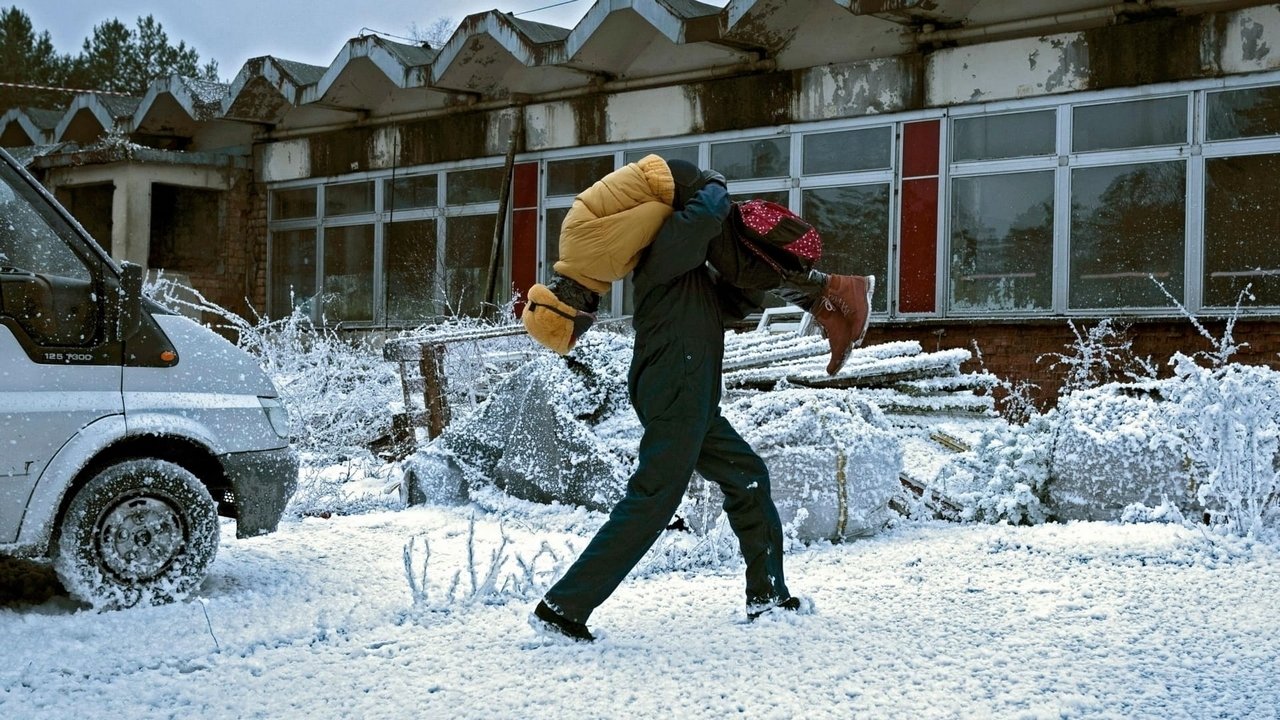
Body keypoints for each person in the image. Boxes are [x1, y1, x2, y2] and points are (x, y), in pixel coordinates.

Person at [529, 163, 856, 642]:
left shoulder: (688, 275)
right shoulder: (663, 256)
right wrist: (714, 181)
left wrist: (764, 268)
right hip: (677, 385)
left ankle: (767, 595)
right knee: (653, 500)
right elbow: (704, 216)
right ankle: (563, 607)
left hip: (690, 389)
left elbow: (732, 302)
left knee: (747, 477)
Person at [521, 155, 875, 375]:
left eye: (582, 325)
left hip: (674, 187)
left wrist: (669, 254)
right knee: (747, 262)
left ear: (571, 308)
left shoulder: (595, 261)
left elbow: (656, 217)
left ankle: (837, 293)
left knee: (740, 268)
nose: (592, 320)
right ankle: (831, 301)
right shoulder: (579, 260)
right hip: (671, 185)